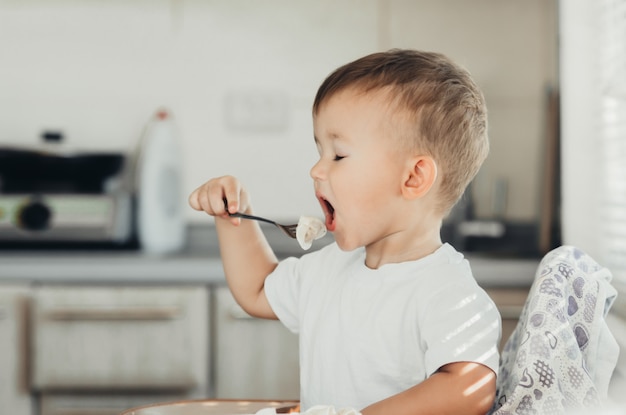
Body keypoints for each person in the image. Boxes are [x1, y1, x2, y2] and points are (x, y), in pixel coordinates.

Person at [189, 49, 501, 415]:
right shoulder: (329, 268)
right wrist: (232, 215)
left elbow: (471, 389)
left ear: (413, 177)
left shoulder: (447, 291)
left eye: (337, 155)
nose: (316, 171)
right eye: (320, 151)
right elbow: (257, 289)